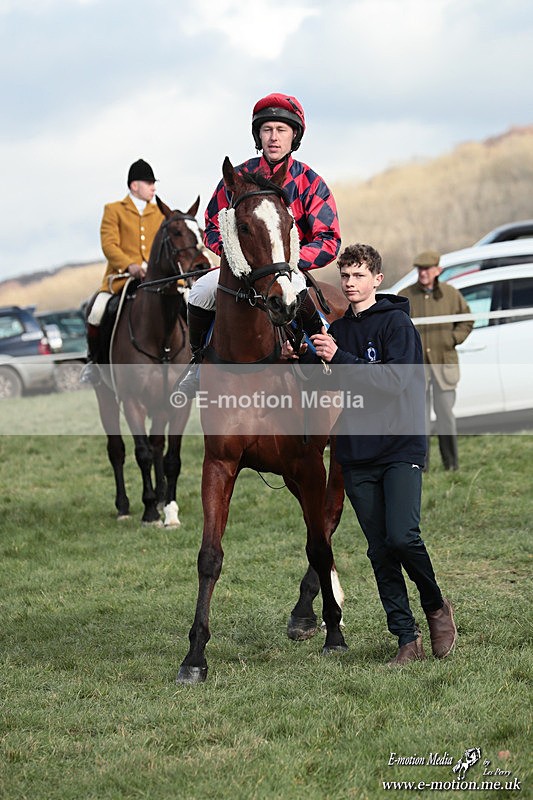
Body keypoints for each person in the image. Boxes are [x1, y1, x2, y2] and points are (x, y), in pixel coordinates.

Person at [306, 243, 457, 666]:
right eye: (345, 276)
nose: (350, 284)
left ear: (377, 279)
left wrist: (342, 359)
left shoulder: (397, 324)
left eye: (358, 276)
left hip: (399, 445)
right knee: (379, 549)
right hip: (356, 452)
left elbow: (393, 381)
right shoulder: (335, 333)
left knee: (403, 536)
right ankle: (406, 639)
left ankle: (435, 606)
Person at [177, 92, 341, 397]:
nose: (274, 137)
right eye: (267, 130)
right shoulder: (236, 178)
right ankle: (198, 365)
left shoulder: (310, 181)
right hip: (242, 270)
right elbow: (212, 226)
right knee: (199, 292)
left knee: (300, 294)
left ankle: (322, 363)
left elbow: (330, 238)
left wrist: (289, 259)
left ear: (295, 136)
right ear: (258, 136)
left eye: (281, 130)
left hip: (288, 269)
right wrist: (239, 257)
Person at [80, 158, 164, 384]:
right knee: (96, 311)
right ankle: (94, 364)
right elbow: (109, 245)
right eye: (149, 183)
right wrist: (130, 265)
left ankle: (192, 362)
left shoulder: (161, 214)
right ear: (134, 185)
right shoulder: (114, 210)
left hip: (155, 281)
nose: (154, 187)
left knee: (185, 302)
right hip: (121, 279)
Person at [399, 250, 473, 471]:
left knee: (446, 418)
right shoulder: (405, 296)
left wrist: (452, 339)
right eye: (420, 269)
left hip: (444, 365)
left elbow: (467, 320)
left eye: (427, 269)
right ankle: (421, 465)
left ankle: (451, 465)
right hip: (417, 369)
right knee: (419, 420)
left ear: (437, 270)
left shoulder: (451, 294)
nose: (423, 273)